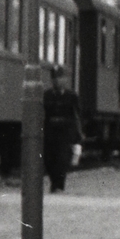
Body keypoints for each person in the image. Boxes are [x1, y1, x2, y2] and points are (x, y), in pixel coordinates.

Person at [43, 64, 82, 193]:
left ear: (64, 79)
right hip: (50, 132)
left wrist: (77, 136)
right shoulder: (47, 95)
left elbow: (76, 116)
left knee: (62, 160)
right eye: (54, 78)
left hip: (65, 133)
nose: (56, 81)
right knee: (49, 160)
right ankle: (54, 183)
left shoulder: (71, 96)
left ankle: (59, 186)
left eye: (59, 78)